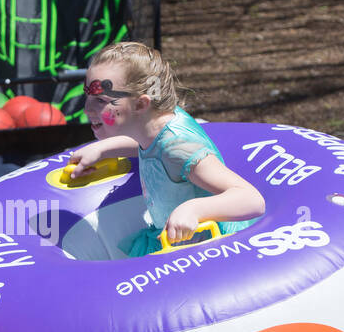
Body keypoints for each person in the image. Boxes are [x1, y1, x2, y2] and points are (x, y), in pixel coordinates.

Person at [68, 41, 265, 257]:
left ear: (141, 105)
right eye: (87, 96)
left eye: (100, 100)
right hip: (172, 239)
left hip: (208, 250)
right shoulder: (151, 125)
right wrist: (103, 149)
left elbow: (251, 199)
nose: (87, 109)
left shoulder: (179, 147)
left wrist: (194, 209)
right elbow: (149, 142)